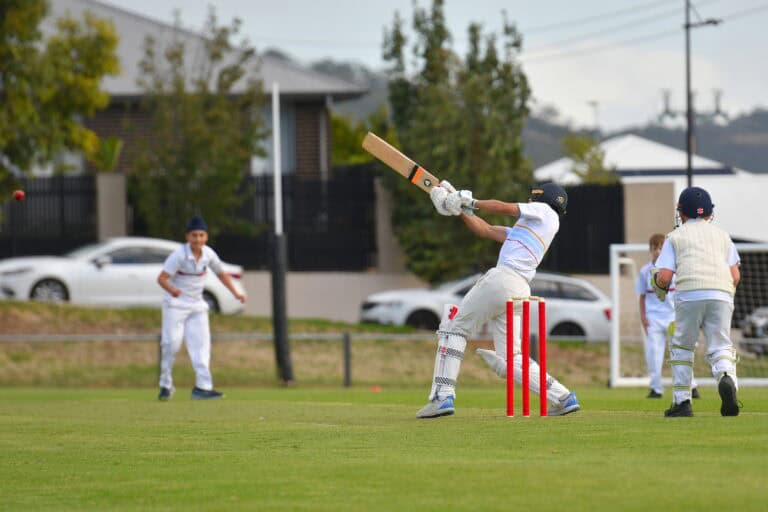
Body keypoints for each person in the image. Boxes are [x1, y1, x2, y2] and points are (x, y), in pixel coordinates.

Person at [416, 181, 580, 418]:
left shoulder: (545, 213)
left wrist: (470, 201)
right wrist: (458, 207)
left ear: (541, 199)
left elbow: (505, 207)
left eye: (532, 198)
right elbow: (485, 229)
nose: (529, 201)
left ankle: (442, 397)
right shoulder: (527, 229)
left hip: (503, 280)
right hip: (518, 290)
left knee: (455, 329)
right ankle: (562, 397)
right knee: (511, 357)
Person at [650, 187, 741, 417]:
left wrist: (657, 285)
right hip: (722, 291)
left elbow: (664, 277)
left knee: (682, 345)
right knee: (720, 345)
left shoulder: (675, 237)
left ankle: (682, 402)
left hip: (689, 292)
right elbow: (736, 276)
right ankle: (726, 377)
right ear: (710, 213)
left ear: (681, 213)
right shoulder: (723, 235)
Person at [156, 214, 246, 401]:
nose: (198, 239)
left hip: (197, 305)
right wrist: (172, 290)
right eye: (194, 235)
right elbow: (162, 278)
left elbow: (222, 274)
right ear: (187, 237)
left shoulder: (209, 254)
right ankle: (166, 384)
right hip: (176, 305)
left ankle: (202, 388)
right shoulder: (179, 255)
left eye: (201, 235)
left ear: (206, 237)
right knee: (170, 344)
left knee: (202, 345)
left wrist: (236, 293)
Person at [636, 233, 700, 400]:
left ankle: (691, 386)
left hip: (673, 318)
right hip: (653, 320)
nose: (657, 251)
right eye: (654, 248)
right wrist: (643, 317)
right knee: (653, 355)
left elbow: (683, 295)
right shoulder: (644, 271)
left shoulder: (675, 270)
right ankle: (655, 388)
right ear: (650, 250)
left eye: (660, 248)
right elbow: (642, 297)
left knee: (680, 352)